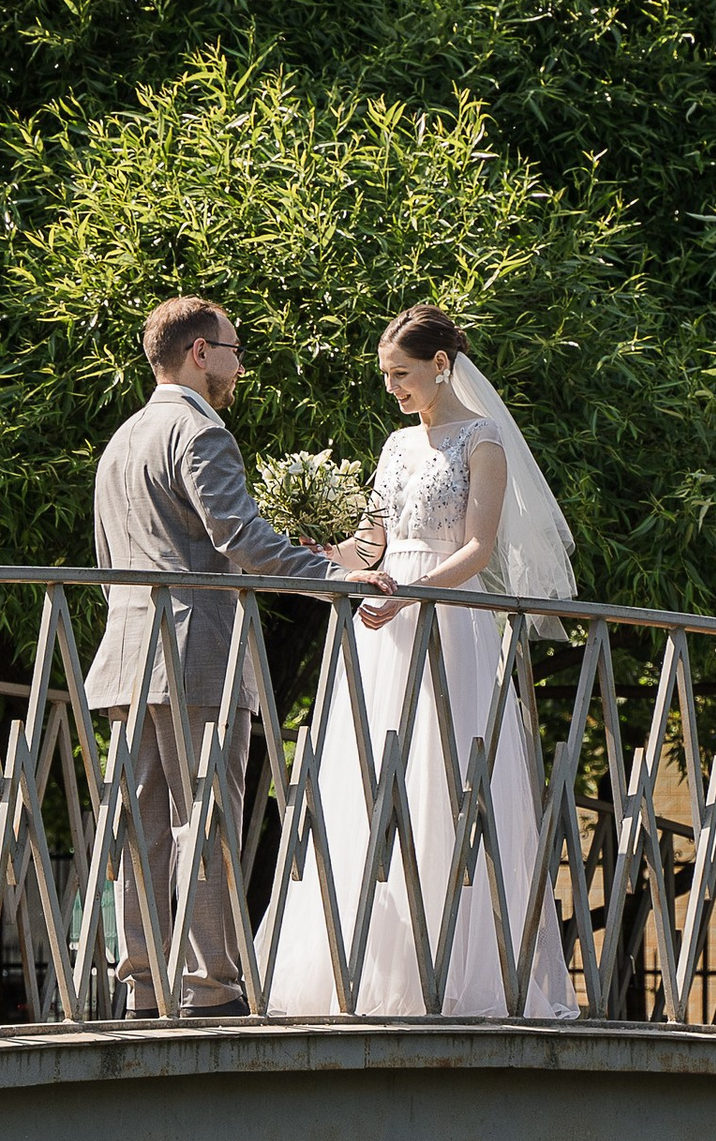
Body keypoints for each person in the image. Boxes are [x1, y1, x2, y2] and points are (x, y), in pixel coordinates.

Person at [261, 305, 576, 1019]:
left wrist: (411, 595)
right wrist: (319, 552)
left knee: (445, 775)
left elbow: (478, 551)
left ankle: (458, 975)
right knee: (369, 773)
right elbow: (369, 543)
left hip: (444, 617)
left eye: (400, 374)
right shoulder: (396, 444)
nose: (392, 388)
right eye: (385, 377)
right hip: (384, 620)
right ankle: (363, 969)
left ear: (440, 364)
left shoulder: (482, 442)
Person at [86, 295, 385, 1019]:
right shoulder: (201, 432)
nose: (240, 367)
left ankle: (141, 988)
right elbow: (242, 541)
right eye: (233, 350)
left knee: (142, 825)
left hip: (128, 653)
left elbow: (106, 558)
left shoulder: (123, 439)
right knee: (205, 819)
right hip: (197, 655)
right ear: (198, 353)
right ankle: (211, 990)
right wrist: (335, 581)